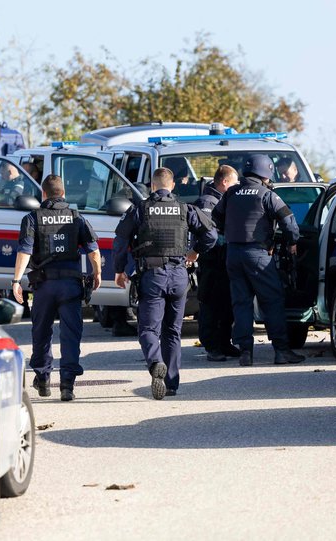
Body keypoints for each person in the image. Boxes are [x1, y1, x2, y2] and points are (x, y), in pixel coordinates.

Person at [114, 167, 216, 400]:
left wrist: (119, 270)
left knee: (149, 329)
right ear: (172, 186)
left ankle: (155, 363)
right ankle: (171, 383)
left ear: (152, 186)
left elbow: (120, 240)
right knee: (173, 331)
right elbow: (210, 234)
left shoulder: (139, 210)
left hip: (152, 275)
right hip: (179, 275)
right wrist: (194, 253)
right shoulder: (185, 209)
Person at [12, 175, 101, 402]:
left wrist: (16, 281)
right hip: (70, 286)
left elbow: (25, 251)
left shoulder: (32, 218)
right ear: (63, 194)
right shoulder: (76, 217)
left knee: (41, 331)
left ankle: (43, 379)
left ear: (43, 194)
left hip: (44, 286)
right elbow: (93, 250)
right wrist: (97, 273)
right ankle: (67, 385)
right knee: (71, 334)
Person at [212, 154, 305, 366]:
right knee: (272, 301)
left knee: (242, 304)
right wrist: (292, 242)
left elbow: (216, 218)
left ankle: (245, 353)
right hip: (259, 255)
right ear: (266, 171)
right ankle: (281, 351)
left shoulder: (231, 193)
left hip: (233, 255)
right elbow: (289, 222)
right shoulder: (267, 195)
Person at [194, 165, 240, 361]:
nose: (237, 186)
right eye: (235, 182)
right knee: (211, 305)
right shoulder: (207, 202)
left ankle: (224, 342)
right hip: (212, 261)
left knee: (226, 305)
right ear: (225, 182)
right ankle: (212, 346)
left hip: (224, 261)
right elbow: (207, 234)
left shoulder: (224, 199)